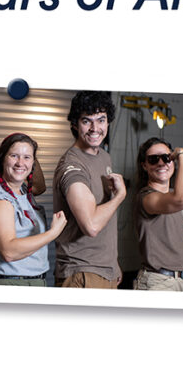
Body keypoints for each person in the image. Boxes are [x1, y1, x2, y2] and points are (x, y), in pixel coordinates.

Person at [53, 91, 127, 288]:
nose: (95, 128)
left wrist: (113, 262)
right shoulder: (73, 166)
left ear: (108, 122)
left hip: (104, 269)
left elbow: (106, 219)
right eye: (87, 121)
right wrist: (120, 196)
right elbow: (91, 225)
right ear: (75, 125)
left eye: (101, 120)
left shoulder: (103, 156)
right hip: (82, 271)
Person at [0, 133, 67, 286]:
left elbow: (39, 186)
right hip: (11, 285)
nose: (20, 163)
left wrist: (28, 148)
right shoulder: (0, 199)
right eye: (14, 156)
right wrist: (53, 233)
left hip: (28, 282)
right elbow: (9, 251)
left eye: (27, 157)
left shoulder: (21, 190)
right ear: (2, 159)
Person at [132, 138, 183, 291]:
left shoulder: (174, 195)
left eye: (167, 158)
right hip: (159, 282)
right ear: (145, 166)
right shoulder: (146, 197)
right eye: (153, 159)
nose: (161, 163)